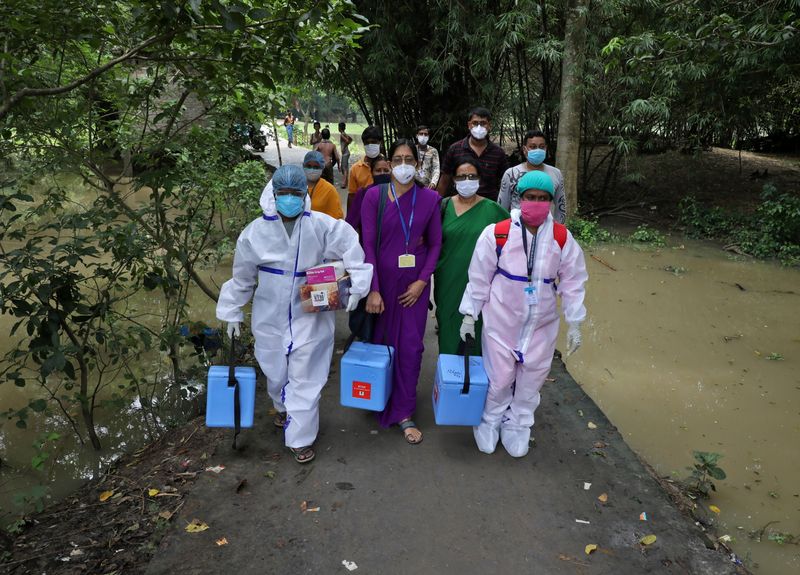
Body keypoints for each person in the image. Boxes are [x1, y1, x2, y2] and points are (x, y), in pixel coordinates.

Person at [216, 165, 372, 464]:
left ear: (305, 195)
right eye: (283, 193)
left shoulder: (322, 225)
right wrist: (232, 312)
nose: (289, 199)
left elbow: (352, 247)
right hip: (269, 314)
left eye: (295, 194)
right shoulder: (254, 233)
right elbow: (243, 278)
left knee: (307, 375)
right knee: (275, 370)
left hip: (311, 312)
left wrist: (356, 288)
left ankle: (300, 437)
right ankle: (283, 407)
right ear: (274, 194)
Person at [458, 170, 587, 457]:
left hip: (541, 324)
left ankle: (518, 424)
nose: (537, 203)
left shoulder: (562, 238)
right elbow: (479, 276)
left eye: (543, 198)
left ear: (551, 202)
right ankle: (489, 420)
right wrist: (470, 314)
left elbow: (574, 281)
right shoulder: (498, 233)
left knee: (532, 379)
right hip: (502, 319)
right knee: (500, 378)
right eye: (531, 197)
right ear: (520, 198)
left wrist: (575, 321)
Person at [361, 139, 442, 443]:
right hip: (382, 282)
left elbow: (435, 244)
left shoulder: (430, 200)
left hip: (414, 289)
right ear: (390, 163)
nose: (404, 164)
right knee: (382, 343)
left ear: (418, 164)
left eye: (410, 159)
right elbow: (367, 245)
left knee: (410, 347)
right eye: (398, 159)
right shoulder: (374, 197)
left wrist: (422, 282)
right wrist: (373, 289)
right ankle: (380, 396)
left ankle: (405, 411)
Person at [434, 159, 509, 355]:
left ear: (479, 179)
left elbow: (512, 244)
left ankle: (475, 381)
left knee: (477, 330)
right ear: (453, 180)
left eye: (472, 176)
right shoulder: (442, 207)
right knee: (448, 327)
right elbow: (428, 242)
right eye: (461, 176)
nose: (466, 180)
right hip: (447, 280)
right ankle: (448, 379)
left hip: (481, 284)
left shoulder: (493, 210)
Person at [438, 107, 509, 202]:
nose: (479, 127)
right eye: (475, 123)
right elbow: (444, 181)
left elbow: (505, 183)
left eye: (483, 123)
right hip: (460, 204)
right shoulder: (455, 149)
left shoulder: (498, 153)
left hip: (488, 205)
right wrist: (436, 205)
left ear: (489, 126)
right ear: (469, 125)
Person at [497, 129, 566, 223]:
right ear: (524, 150)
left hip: (546, 229)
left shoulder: (556, 173)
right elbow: (501, 208)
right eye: (533, 147)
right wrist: (503, 232)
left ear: (546, 148)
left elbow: (560, 206)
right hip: (517, 229)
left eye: (541, 147)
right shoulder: (511, 174)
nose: (538, 150)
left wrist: (559, 230)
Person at [345, 155, 391, 237]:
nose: (382, 173)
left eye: (386, 170)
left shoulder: (398, 192)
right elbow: (350, 223)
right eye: (378, 170)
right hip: (367, 241)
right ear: (372, 173)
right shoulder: (363, 193)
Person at [347, 125, 383, 205]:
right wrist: (350, 216)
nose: (370, 145)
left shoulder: (388, 167)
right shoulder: (355, 169)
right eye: (367, 143)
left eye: (373, 142)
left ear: (380, 142)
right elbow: (352, 195)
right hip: (363, 211)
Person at [415, 125, 440, 189]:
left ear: (428, 137)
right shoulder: (412, 149)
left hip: (428, 186)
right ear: (417, 135)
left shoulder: (433, 151)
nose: (423, 136)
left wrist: (433, 182)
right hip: (413, 185)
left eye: (425, 134)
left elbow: (436, 168)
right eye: (421, 134)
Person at [339, 122, 353, 190]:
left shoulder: (342, 134)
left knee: (343, 168)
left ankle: (344, 183)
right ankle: (346, 182)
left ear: (339, 128)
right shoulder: (345, 134)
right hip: (346, 153)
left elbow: (347, 141)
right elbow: (350, 139)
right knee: (345, 167)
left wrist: (344, 147)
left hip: (345, 153)